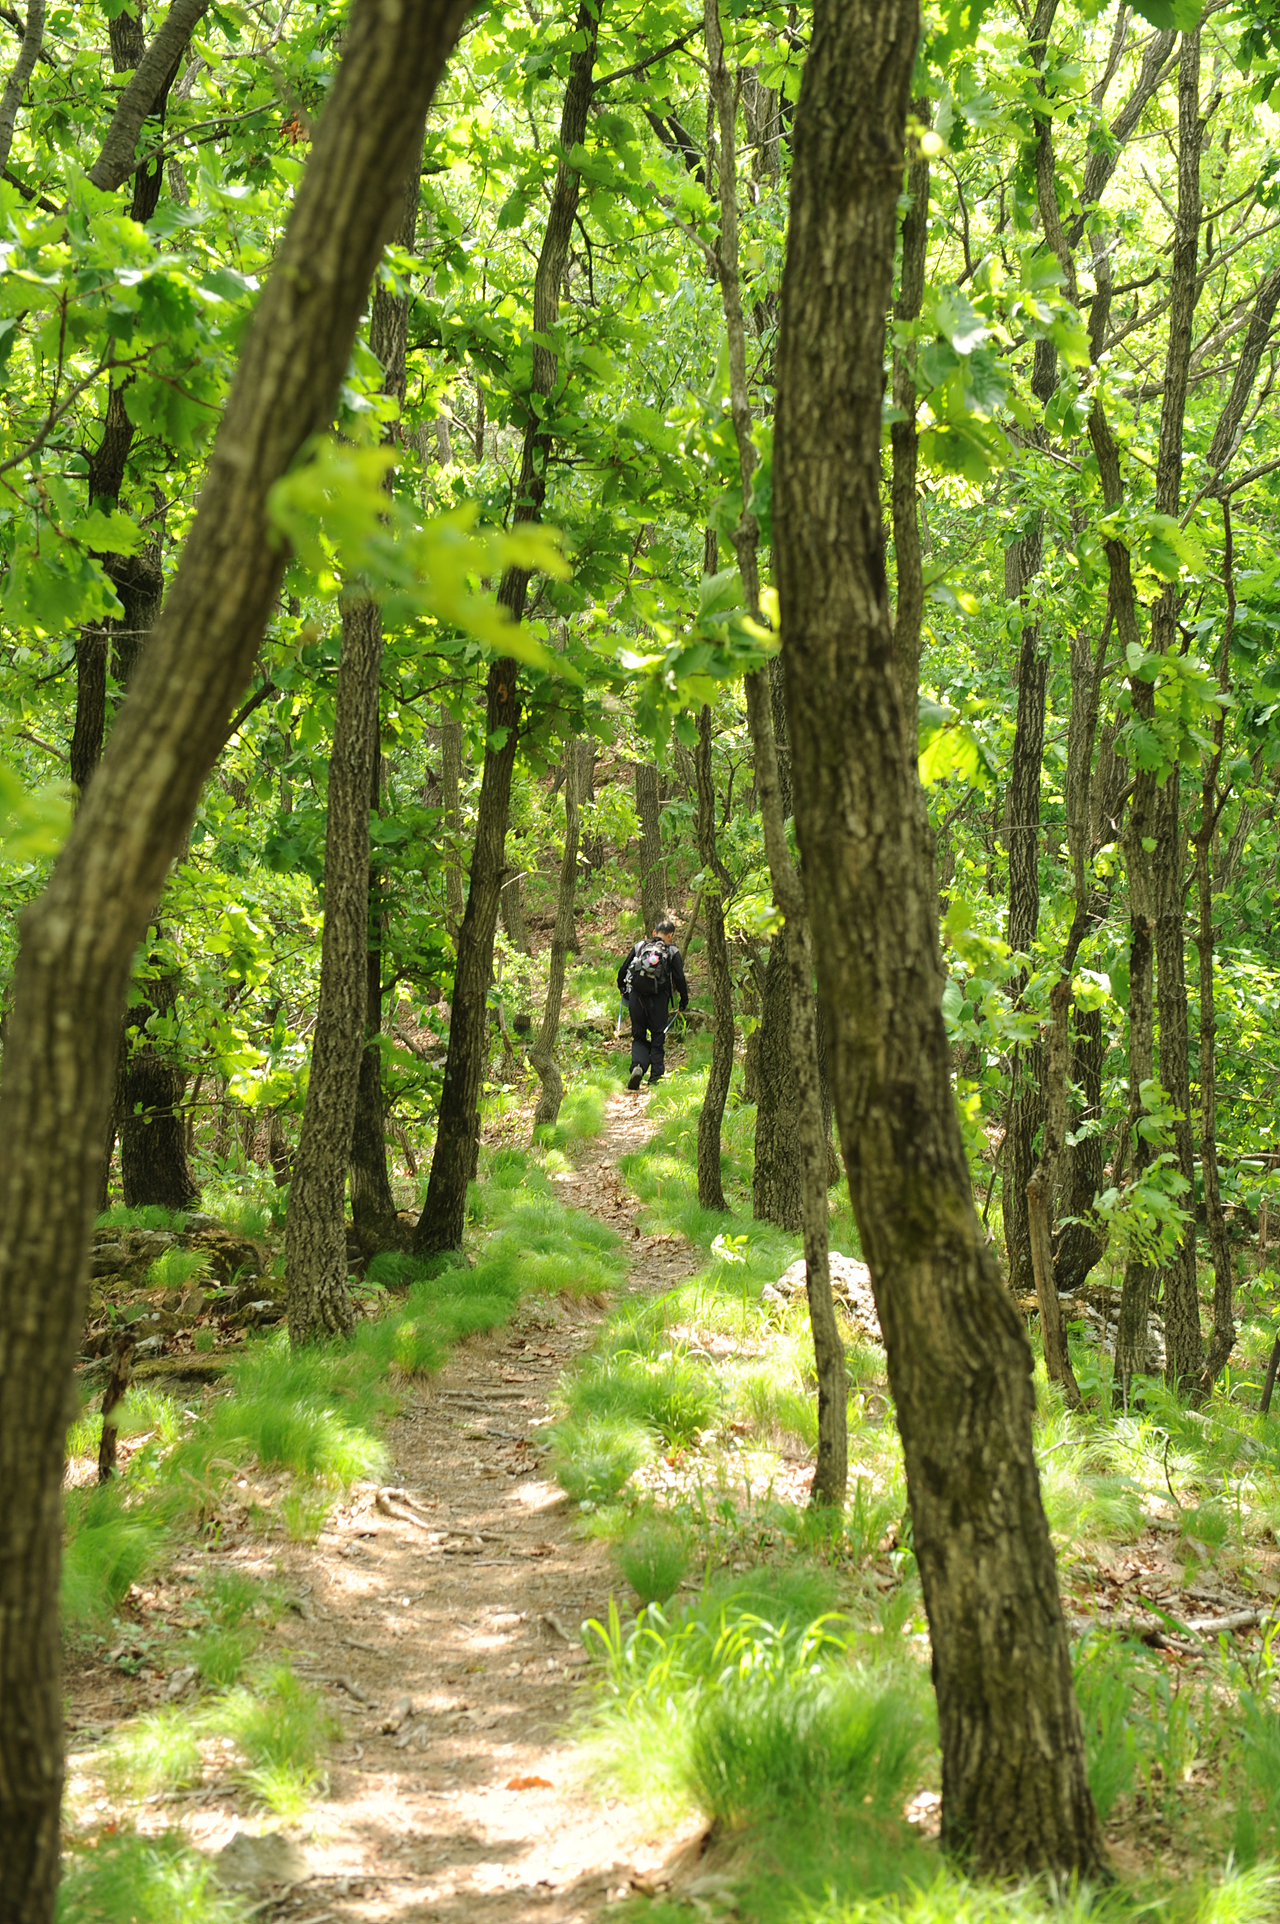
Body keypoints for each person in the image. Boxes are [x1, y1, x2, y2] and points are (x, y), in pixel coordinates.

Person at [616, 914, 689, 1091]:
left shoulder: (640, 946)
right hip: (659, 1000)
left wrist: (623, 990)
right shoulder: (672, 951)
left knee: (639, 1035)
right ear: (671, 935)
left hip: (636, 998)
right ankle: (655, 1079)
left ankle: (638, 1067)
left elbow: (622, 971)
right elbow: (679, 978)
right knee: (657, 1037)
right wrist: (684, 999)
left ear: (654, 932)